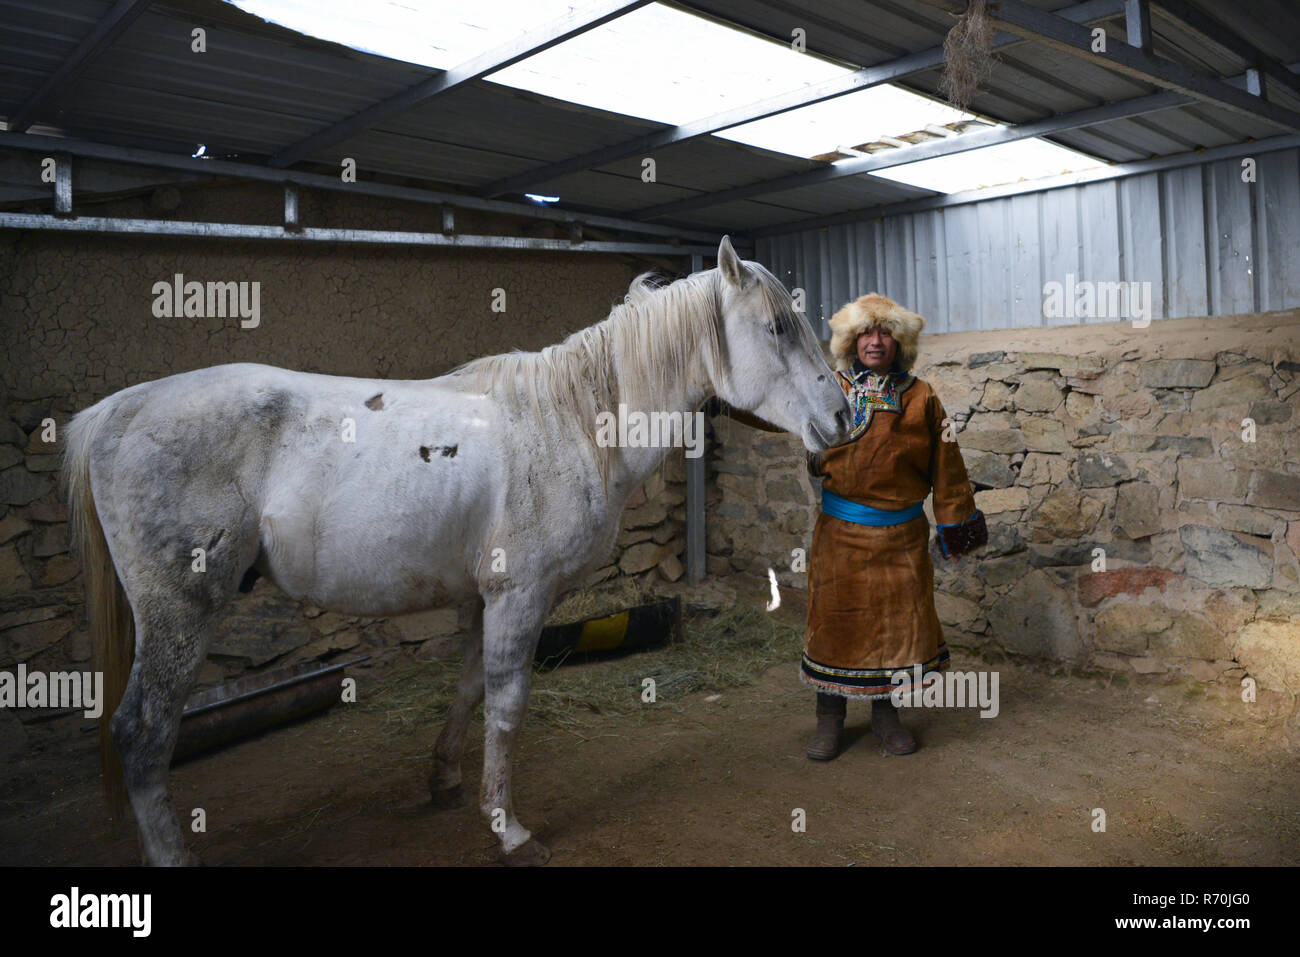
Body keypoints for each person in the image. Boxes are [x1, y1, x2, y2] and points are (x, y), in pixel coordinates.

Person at [800, 293, 986, 759]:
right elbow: (777, 412)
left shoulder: (922, 397)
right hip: (840, 535)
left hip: (902, 539)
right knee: (836, 623)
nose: (875, 342)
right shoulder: (829, 389)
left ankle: (886, 716)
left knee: (895, 628)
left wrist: (955, 525)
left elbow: (948, 466)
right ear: (850, 341)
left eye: (885, 333)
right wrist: (716, 397)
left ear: (899, 342)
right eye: (865, 332)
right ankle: (830, 718)